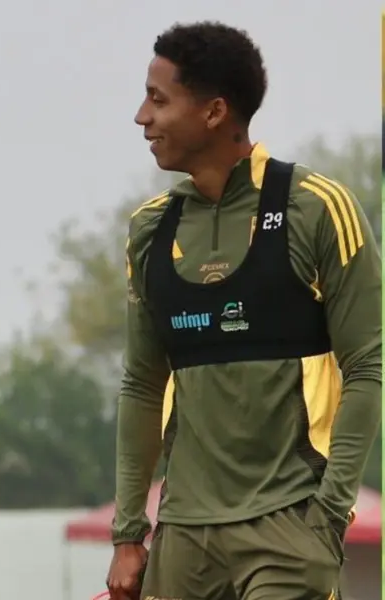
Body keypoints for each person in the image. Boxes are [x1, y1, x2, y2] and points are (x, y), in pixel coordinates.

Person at [107, 21, 381, 600]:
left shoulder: (317, 208)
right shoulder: (149, 230)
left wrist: (329, 518)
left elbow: (368, 366)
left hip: (289, 530)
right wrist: (128, 534)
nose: (141, 117)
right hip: (182, 539)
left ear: (214, 112)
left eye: (158, 100)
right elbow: (141, 385)